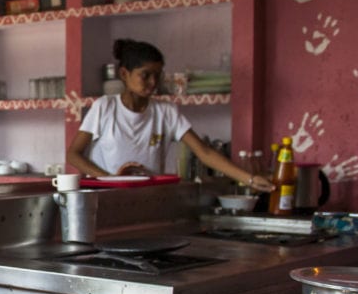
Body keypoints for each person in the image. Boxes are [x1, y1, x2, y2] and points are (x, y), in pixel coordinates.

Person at [66, 39, 275, 192]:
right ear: (123, 74)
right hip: (106, 197)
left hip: (149, 200)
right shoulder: (104, 107)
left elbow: (204, 152)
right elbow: (73, 154)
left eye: (157, 75)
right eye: (145, 75)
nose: (152, 82)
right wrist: (111, 180)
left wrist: (250, 179)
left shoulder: (165, 112)